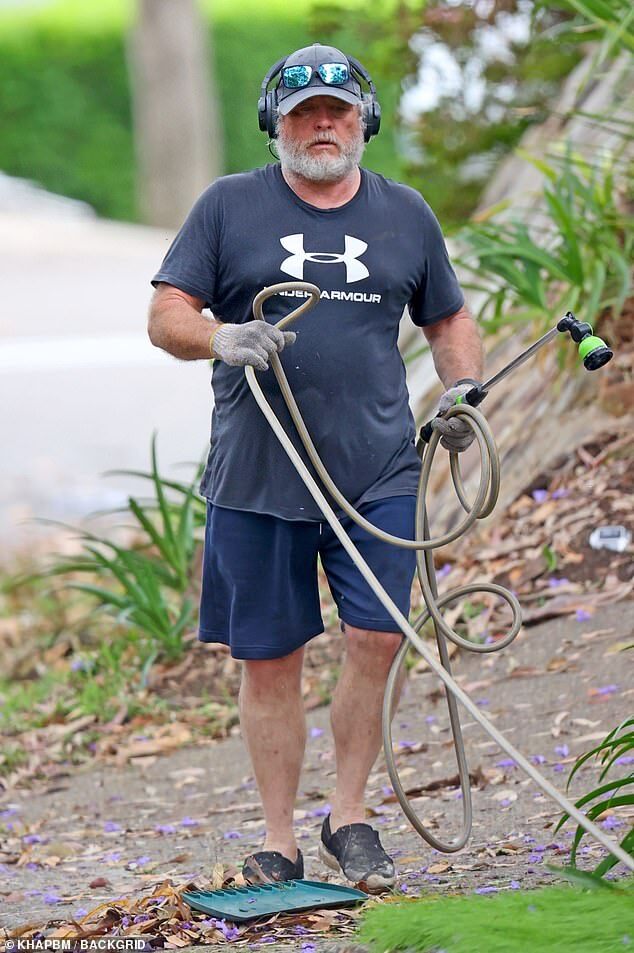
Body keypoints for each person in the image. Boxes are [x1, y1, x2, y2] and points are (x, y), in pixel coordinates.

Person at [148, 42, 483, 892]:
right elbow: (165, 314)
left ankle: (350, 815)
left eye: (337, 110)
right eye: (304, 114)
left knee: (377, 637)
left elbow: (447, 320)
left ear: (363, 119)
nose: (323, 125)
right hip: (259, 477)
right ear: (276, 125)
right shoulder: (227, 207)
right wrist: (220, 337)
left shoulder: (406, 213)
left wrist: (464, 388)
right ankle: (277, 838)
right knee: (272, 658)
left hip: (378, 471)